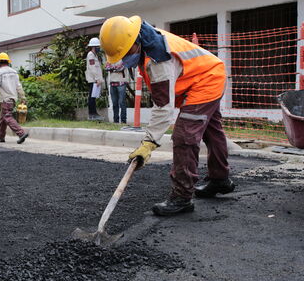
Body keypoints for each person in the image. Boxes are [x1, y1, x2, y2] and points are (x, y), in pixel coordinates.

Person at [100, 16, 236, 216]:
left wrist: (149, 143)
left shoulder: (158, 58)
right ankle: (220, 180)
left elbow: (164, 107)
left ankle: (182, 197)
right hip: (206, 74)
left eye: (127, 52)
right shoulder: (145, 42)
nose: (125, 57)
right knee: (212, 132)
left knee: (184, 136)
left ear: (135, 41)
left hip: (207, 79)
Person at [0, 52, 29, 144]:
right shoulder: (14, 72)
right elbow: (18, 86)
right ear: (8, 62)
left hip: (5, 99)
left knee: (7, 116)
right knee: (3, 119)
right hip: (13, 99)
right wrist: (22, 97)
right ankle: (1, 137)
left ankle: (21, 133)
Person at [85, 37, 104, 121]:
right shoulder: (90, 55)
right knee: (92, 98)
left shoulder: (95, 55)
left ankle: (94, 113)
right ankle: (92, 114)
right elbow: (92, 68)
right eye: (97, 46)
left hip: (96, 80)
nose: (99, 48)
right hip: (94, 80)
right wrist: (97, 79)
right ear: (93, 47)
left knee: (93, 97)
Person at [105, 59, 130, 124]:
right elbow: (107, 68)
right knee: (114, 103)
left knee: (122, 102)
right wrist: (114, 68)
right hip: (112, 83)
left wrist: (112, 68)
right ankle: (115, 120)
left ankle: (123, 120)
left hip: (121, 82)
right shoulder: (110, 58)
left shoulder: (123, 59)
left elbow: (121, 68)